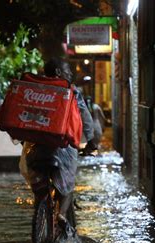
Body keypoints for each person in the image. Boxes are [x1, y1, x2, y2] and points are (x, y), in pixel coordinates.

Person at [19, 57, 96, 233]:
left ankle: (40, 208)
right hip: (62, 149)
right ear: (59, 73)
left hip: (35, 147)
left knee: (39, 187)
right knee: (68, 186)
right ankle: (61, 214)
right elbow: (85, 118)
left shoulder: (33, 90)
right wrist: (91, 142)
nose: (70, 75)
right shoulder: (71, 91)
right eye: (68, 71)